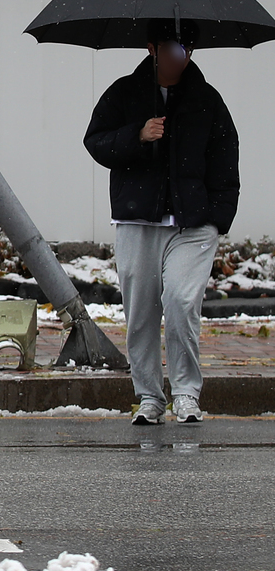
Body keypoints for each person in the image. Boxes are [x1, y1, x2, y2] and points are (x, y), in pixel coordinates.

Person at [84, 22, 239, 426]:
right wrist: (138, 134)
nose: (181, 55)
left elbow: (226, 158)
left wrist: (218, 218)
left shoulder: (206, 99)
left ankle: (186, 394)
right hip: (138, 219)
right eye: (173, 47)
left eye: (188, 46)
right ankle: (149, 397)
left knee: (182, 302)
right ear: (152, 48)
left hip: (193, 223)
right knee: (140, 312)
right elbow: (96, 142)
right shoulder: (125, 92)